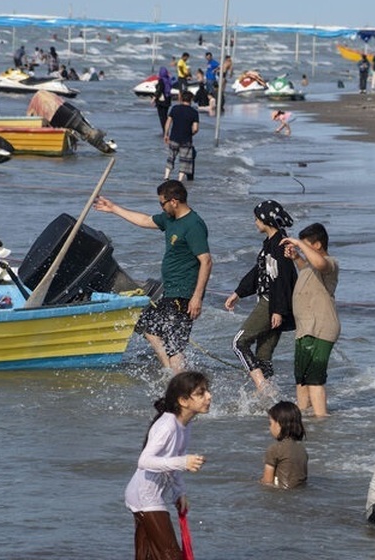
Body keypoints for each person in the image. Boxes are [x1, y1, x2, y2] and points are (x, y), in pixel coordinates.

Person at [94, 181, 212, 374]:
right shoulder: (170, 219)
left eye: (162, 203)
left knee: (175, 346)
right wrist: (114, 208)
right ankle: (170, 373)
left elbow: (206, 261)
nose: (161, 208)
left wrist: (197, 297)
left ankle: (180, 383)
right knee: (148, 326)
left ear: (174, 201)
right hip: (170, 292)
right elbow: (144, 220)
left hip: (184, 294)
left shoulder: (193, 225)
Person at [124, 371, 211, 560]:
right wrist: (183, 462)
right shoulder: (167, 425)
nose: (209, 396)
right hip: (145, 497)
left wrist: (179, 493)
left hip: (146, 495)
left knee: (146, 556)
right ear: (183, 400)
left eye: (207, 391)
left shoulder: (185, 426)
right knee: (171, 555)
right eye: (201, 393)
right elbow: (144, 461)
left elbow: (173, 464)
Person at [226, 200, 297, 392]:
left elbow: (283, 279)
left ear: (266, 220)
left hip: (271, 305)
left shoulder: (280, 245)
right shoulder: (270, 244)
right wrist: (238, 293)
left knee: (239, 343)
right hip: (274, 305)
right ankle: (269, 399)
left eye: (257, 219)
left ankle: (262, 385)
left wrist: (278, 310)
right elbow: (258, 272)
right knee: (263, 356)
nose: (255, 222)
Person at [281, 223, 339, 417]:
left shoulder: (330, 263)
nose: (301, 248)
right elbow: (308, 269)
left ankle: (321, 421)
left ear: (317, 245)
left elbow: (320, 264)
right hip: (305, 329)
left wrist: (298, 243)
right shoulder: (310, 266)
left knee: (315, 379)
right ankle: (303, 416)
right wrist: (296, 257)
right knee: (301, 379)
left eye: (305, 245)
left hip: (321, 328)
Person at [261, 400, 308, 489]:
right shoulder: (302, 450)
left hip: (280, 493)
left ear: (279, 424)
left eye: (270, 423)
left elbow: (267, 482)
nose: (269, 427)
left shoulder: (274, 449)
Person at [163, 90, 200, 181]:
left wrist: (166, 134)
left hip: (174, 137)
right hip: (186, 139)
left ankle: (166, 176)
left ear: (181, 98)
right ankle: (180, 180)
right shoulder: (194, 112)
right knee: (185, 160)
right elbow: (195, 128)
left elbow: (168, 122)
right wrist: (191, 134)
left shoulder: (175, 108)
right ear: (191, 100)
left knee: (171, 157)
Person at [153, 66, 173, 133]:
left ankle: (165, 131)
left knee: (162, 117)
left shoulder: (161, 80)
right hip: (168, 99)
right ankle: (166, 130)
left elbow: (160, 90)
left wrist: (154, 98)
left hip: (161, 101)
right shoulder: (168, 79)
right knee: (165, 115)